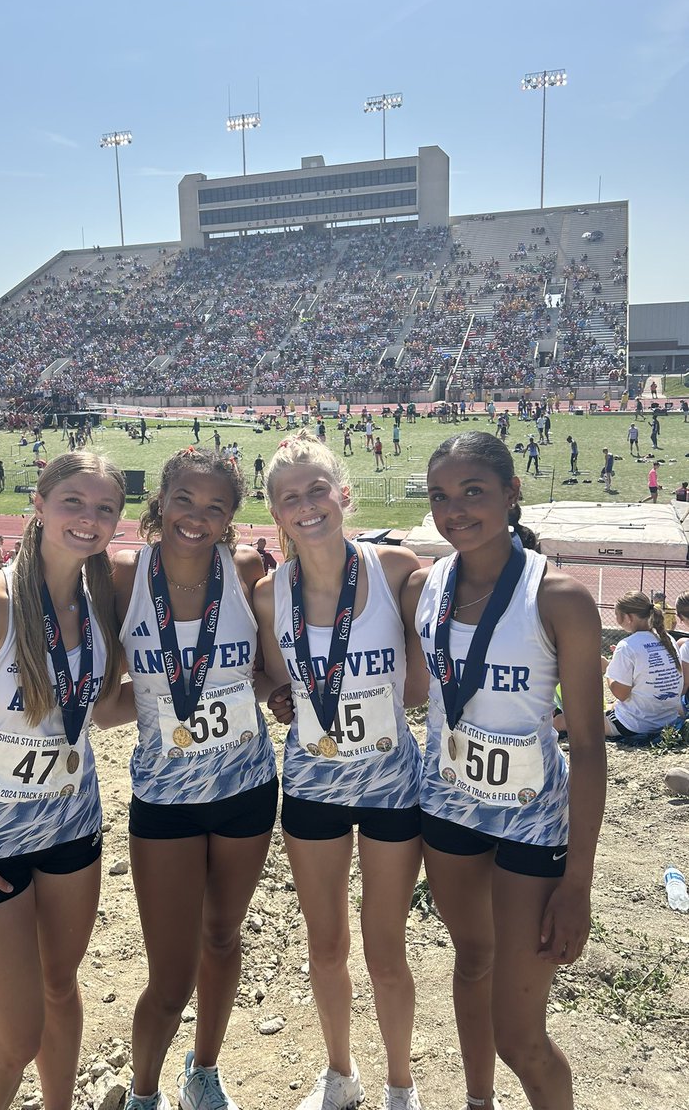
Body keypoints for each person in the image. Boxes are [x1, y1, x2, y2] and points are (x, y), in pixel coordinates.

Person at [405, 432, 605, 1110]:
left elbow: (590, 746)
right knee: (471, 961)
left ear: (511, 493)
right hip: (449, 809)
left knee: (520, 1037)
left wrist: (578, 883)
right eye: (440, 496)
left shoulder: (559, 598)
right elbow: (413, 684)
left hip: (531, 823)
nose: (455, 511)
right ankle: (478, 1101)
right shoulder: (428, 585)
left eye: (473, 492)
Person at [0, 452, 129, 1110]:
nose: (89, 518)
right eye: (74, 502)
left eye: (104, 508)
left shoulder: (100, 607)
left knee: (61, 987)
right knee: (17, 1035)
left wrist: (223, 688)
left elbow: (99, 709)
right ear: (38, 506)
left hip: (72, 828)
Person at [254, 431, 425, 1110]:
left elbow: (419, 684)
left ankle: (401, 1086)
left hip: (392, 787)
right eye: (290, 497)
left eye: (317, 489)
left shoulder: (394, 570)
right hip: (312, 787)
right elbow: (276, 681)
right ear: (276, 512)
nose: (307, 506)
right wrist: (281, 697)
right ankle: (339, 1074)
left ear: (343, 494)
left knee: (386, 950)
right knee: (325, 945)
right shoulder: (269, 595)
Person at [113, 447, 277, 1110]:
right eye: (184, 499)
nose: (196, 517)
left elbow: (265, 675)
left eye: (215, 507)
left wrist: (273, 693)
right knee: (169, 979)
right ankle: (144, 1094)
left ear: (231, 517)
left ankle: (203, 1072)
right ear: (161, 501)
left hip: (247, 790)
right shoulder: (124, 576)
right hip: (165, 799)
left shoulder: (246, 570)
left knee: (223, 937)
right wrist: (162, 702)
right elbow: (103, 693)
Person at [559, 591, 684, 741]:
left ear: (629, 617)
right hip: (667, 720)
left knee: (562, 721)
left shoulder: (627, 646)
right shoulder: (668, 639)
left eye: (617, 615)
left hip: (635, 725)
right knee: (612, 706)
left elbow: (621, 694)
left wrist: (607, 669)